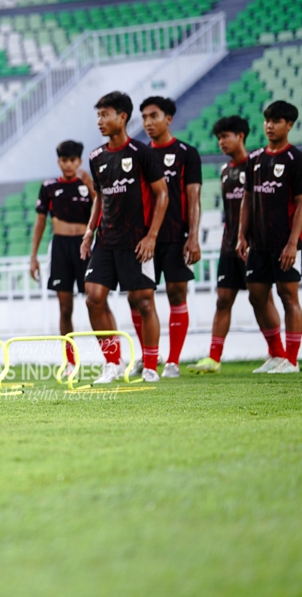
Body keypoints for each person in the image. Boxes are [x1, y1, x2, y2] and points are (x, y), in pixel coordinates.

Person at [80, 91, 169, 384]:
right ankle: (112, 362)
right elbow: (99, 197)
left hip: (137, 240)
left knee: (143, 301)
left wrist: (152, 236)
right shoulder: (96, 157)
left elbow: (162, 194)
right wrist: (90, 231)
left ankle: (151, 364)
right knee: (93, 298)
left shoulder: (142, 153)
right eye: (97, 115)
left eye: (105, 115)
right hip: (106, 240)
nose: (99, 121)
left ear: (122, 117)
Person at [236, 101, 302, 374]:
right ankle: (277, 354)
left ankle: (292, 359)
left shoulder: (296, 160)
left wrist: (292, 243)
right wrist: (241, 234)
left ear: (289, 125)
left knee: (288, 296)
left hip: (285, 243)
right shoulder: (254, 159)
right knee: (256, 295)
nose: (269, 126)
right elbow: (247, 199)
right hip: (258, 242)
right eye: (267, 120)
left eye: (276, 121)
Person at [137, 96, 202, 378]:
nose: (148, 122)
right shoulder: (139, 154)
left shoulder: (187, 153)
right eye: (144, 117)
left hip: (176, 235)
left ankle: (173, 361)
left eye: (153, 116)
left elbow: (194, 198)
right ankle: (148, 356)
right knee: (139, 297)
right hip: (144, 238)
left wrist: (193, 236)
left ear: (169, 118)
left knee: (176, 293)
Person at [190, 116, 250, 374]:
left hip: (252, 245)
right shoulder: (225, 171)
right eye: (218, 138)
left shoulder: (255, 165)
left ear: (240, 136)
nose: (221, 142)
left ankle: (279, 354)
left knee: (261, 298)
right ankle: (214, 358)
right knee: (223, 299)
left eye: (225, 136)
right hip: (229, 246)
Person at [29, 140, 94, 379]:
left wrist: (91, 186)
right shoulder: (49, 187)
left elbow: (102, 208)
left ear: (79, 161)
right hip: (60, 247)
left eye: (72, 160)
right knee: (65, 307)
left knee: (96, 302)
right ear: (59, 162)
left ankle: (113, 359)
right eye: (64, 160)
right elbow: (40, 222)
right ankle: (70, 361)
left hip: (84, 247)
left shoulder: (88, 185)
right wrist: (33, 256)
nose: (68, 165)